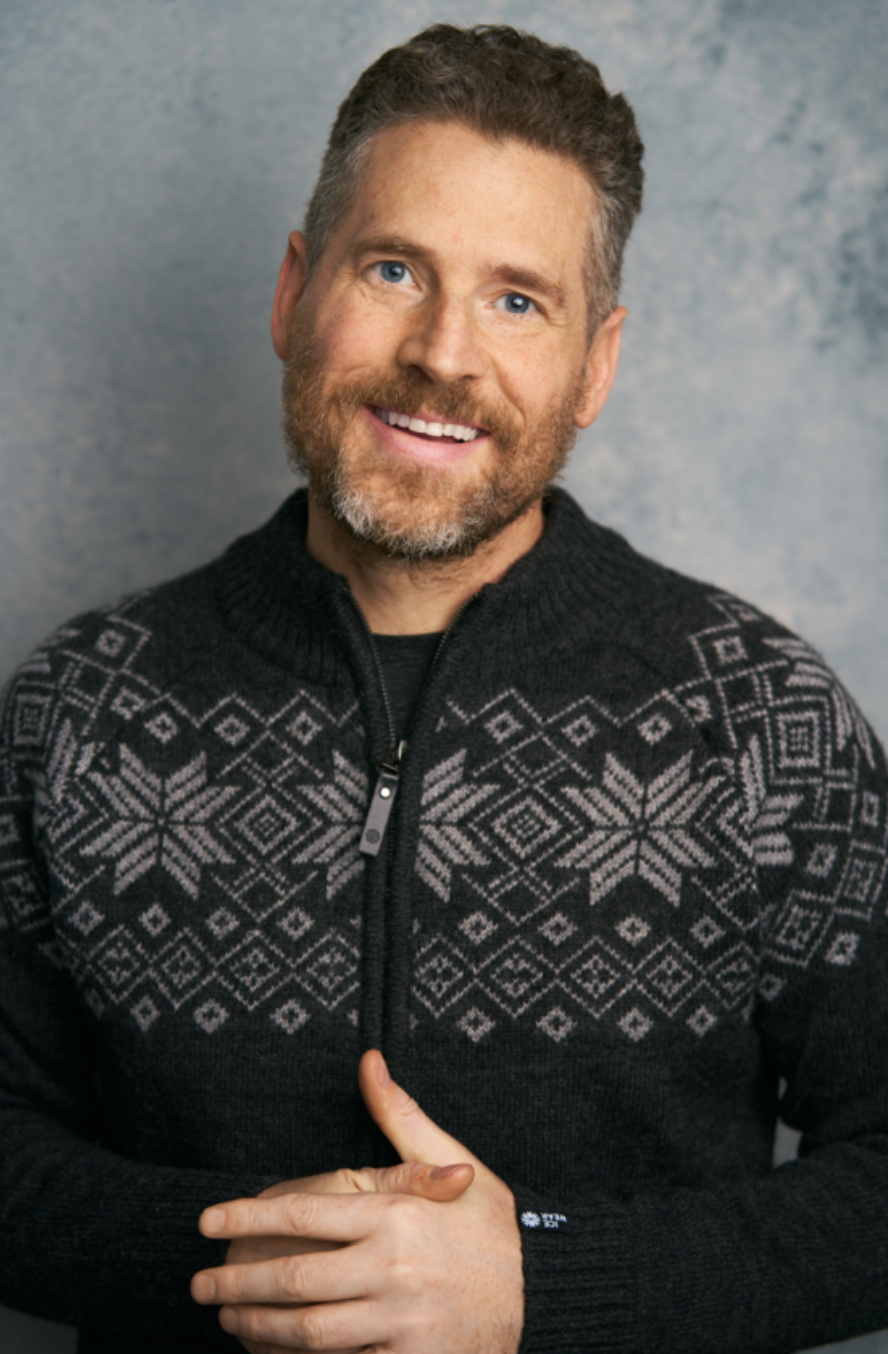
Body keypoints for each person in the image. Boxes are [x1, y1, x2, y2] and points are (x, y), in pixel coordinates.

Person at [1, 21, 887, 1354]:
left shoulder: (765, 719)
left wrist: (541, 1283)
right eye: (394, 269)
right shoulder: (76, 710)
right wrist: (256, 1261)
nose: (443, 354)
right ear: (295, 290)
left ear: (596, 364)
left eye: (518, 300)